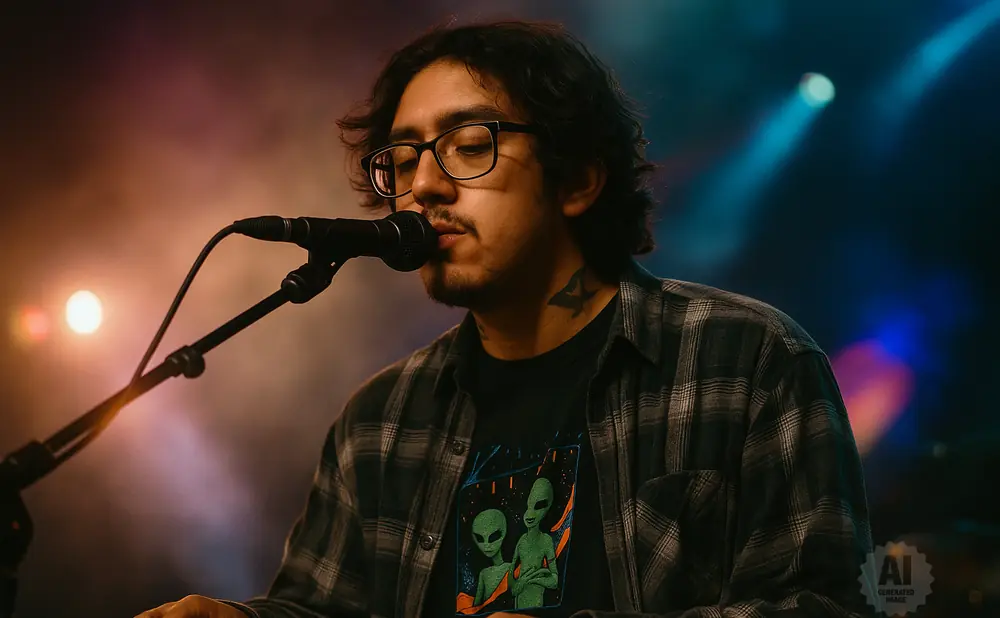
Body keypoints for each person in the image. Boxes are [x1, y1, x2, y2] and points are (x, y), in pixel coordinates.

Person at [136, 19, 874, 618]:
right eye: (401, 160)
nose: (422, 185)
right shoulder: (381, 419)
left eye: (468, 146)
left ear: (580, 179)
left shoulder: (746, 361)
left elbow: (825, 606)